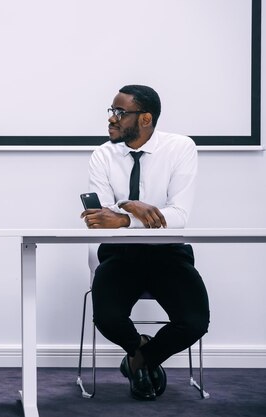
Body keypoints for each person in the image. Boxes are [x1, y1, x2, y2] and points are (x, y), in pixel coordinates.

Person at [80, 85, 210, 400]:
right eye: (111, 111)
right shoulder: (103, 154)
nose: (111, 119)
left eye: (120, 113)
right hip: (119, 254)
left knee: (194, 322)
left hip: (167, 252)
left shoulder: (180, 148)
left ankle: (141, 360)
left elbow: (178, 215)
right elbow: (100, 216)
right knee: (108, 318)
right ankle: (141, 350)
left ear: (145, 118)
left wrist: (124, 217)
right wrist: (130, 204)